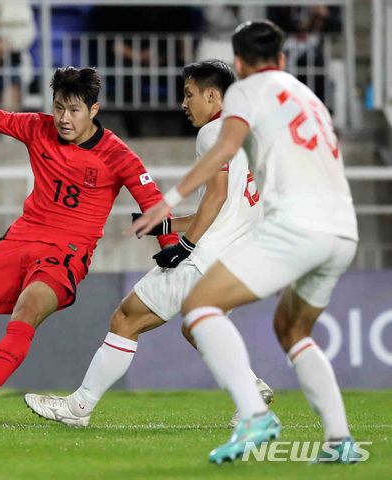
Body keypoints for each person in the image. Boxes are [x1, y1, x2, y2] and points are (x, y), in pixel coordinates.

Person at [0, 66, 178, 422]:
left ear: (94, 111)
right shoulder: (37, 127)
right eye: (58, 108)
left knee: (27, 310)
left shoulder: (118, 155)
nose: (64, 119)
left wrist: (170, 246)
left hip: (66, 253)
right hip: (22, 238)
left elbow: (153, 201)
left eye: (73, 110)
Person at [130, 20, 360, 464]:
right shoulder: (309, 97)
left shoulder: (245, 93)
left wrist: (169, 202)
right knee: (293, 330)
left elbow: (223, 150)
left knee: (199, 308)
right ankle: (339, 440)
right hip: (342, 229)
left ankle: (254, 415)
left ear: (238, 63)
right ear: (283, 58)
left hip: (296, 227)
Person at [24, 59, 272, 428]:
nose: (183, 104)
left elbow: (217, 197)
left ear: (212, 95)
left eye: (189, 95)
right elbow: (234, 207)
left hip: (205, 258)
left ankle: (79, 408)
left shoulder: (211, 133)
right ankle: (249, 391)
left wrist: (184, 245)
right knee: (197, 327)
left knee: (126, 318)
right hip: (239, 258)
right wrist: (166, 224)